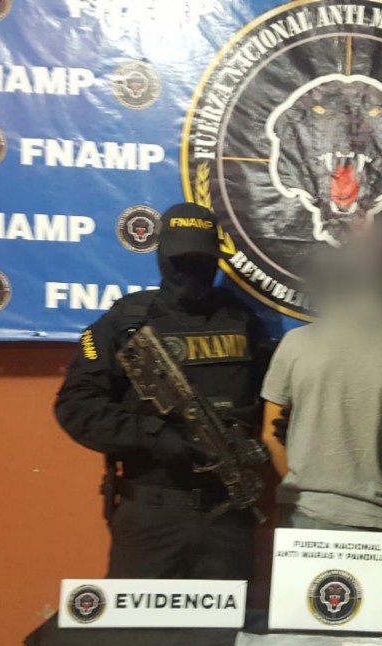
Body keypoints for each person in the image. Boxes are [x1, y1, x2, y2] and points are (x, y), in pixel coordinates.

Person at [54, 203, 270, 580]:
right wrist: (151, 435)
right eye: (182, 261)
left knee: (227, 619)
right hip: (153, 510)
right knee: (135, 617)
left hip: (227, 510)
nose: (192, 272)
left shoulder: (241, 321)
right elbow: (76, 406)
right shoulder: (126, 323)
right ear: (161, 256)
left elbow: (269, 398)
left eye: (202, 261)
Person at [260, 243, 382, 532]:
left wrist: (299, 488)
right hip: (375, 516)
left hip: (301, 513)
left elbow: (269, 437)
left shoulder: (294, 344)